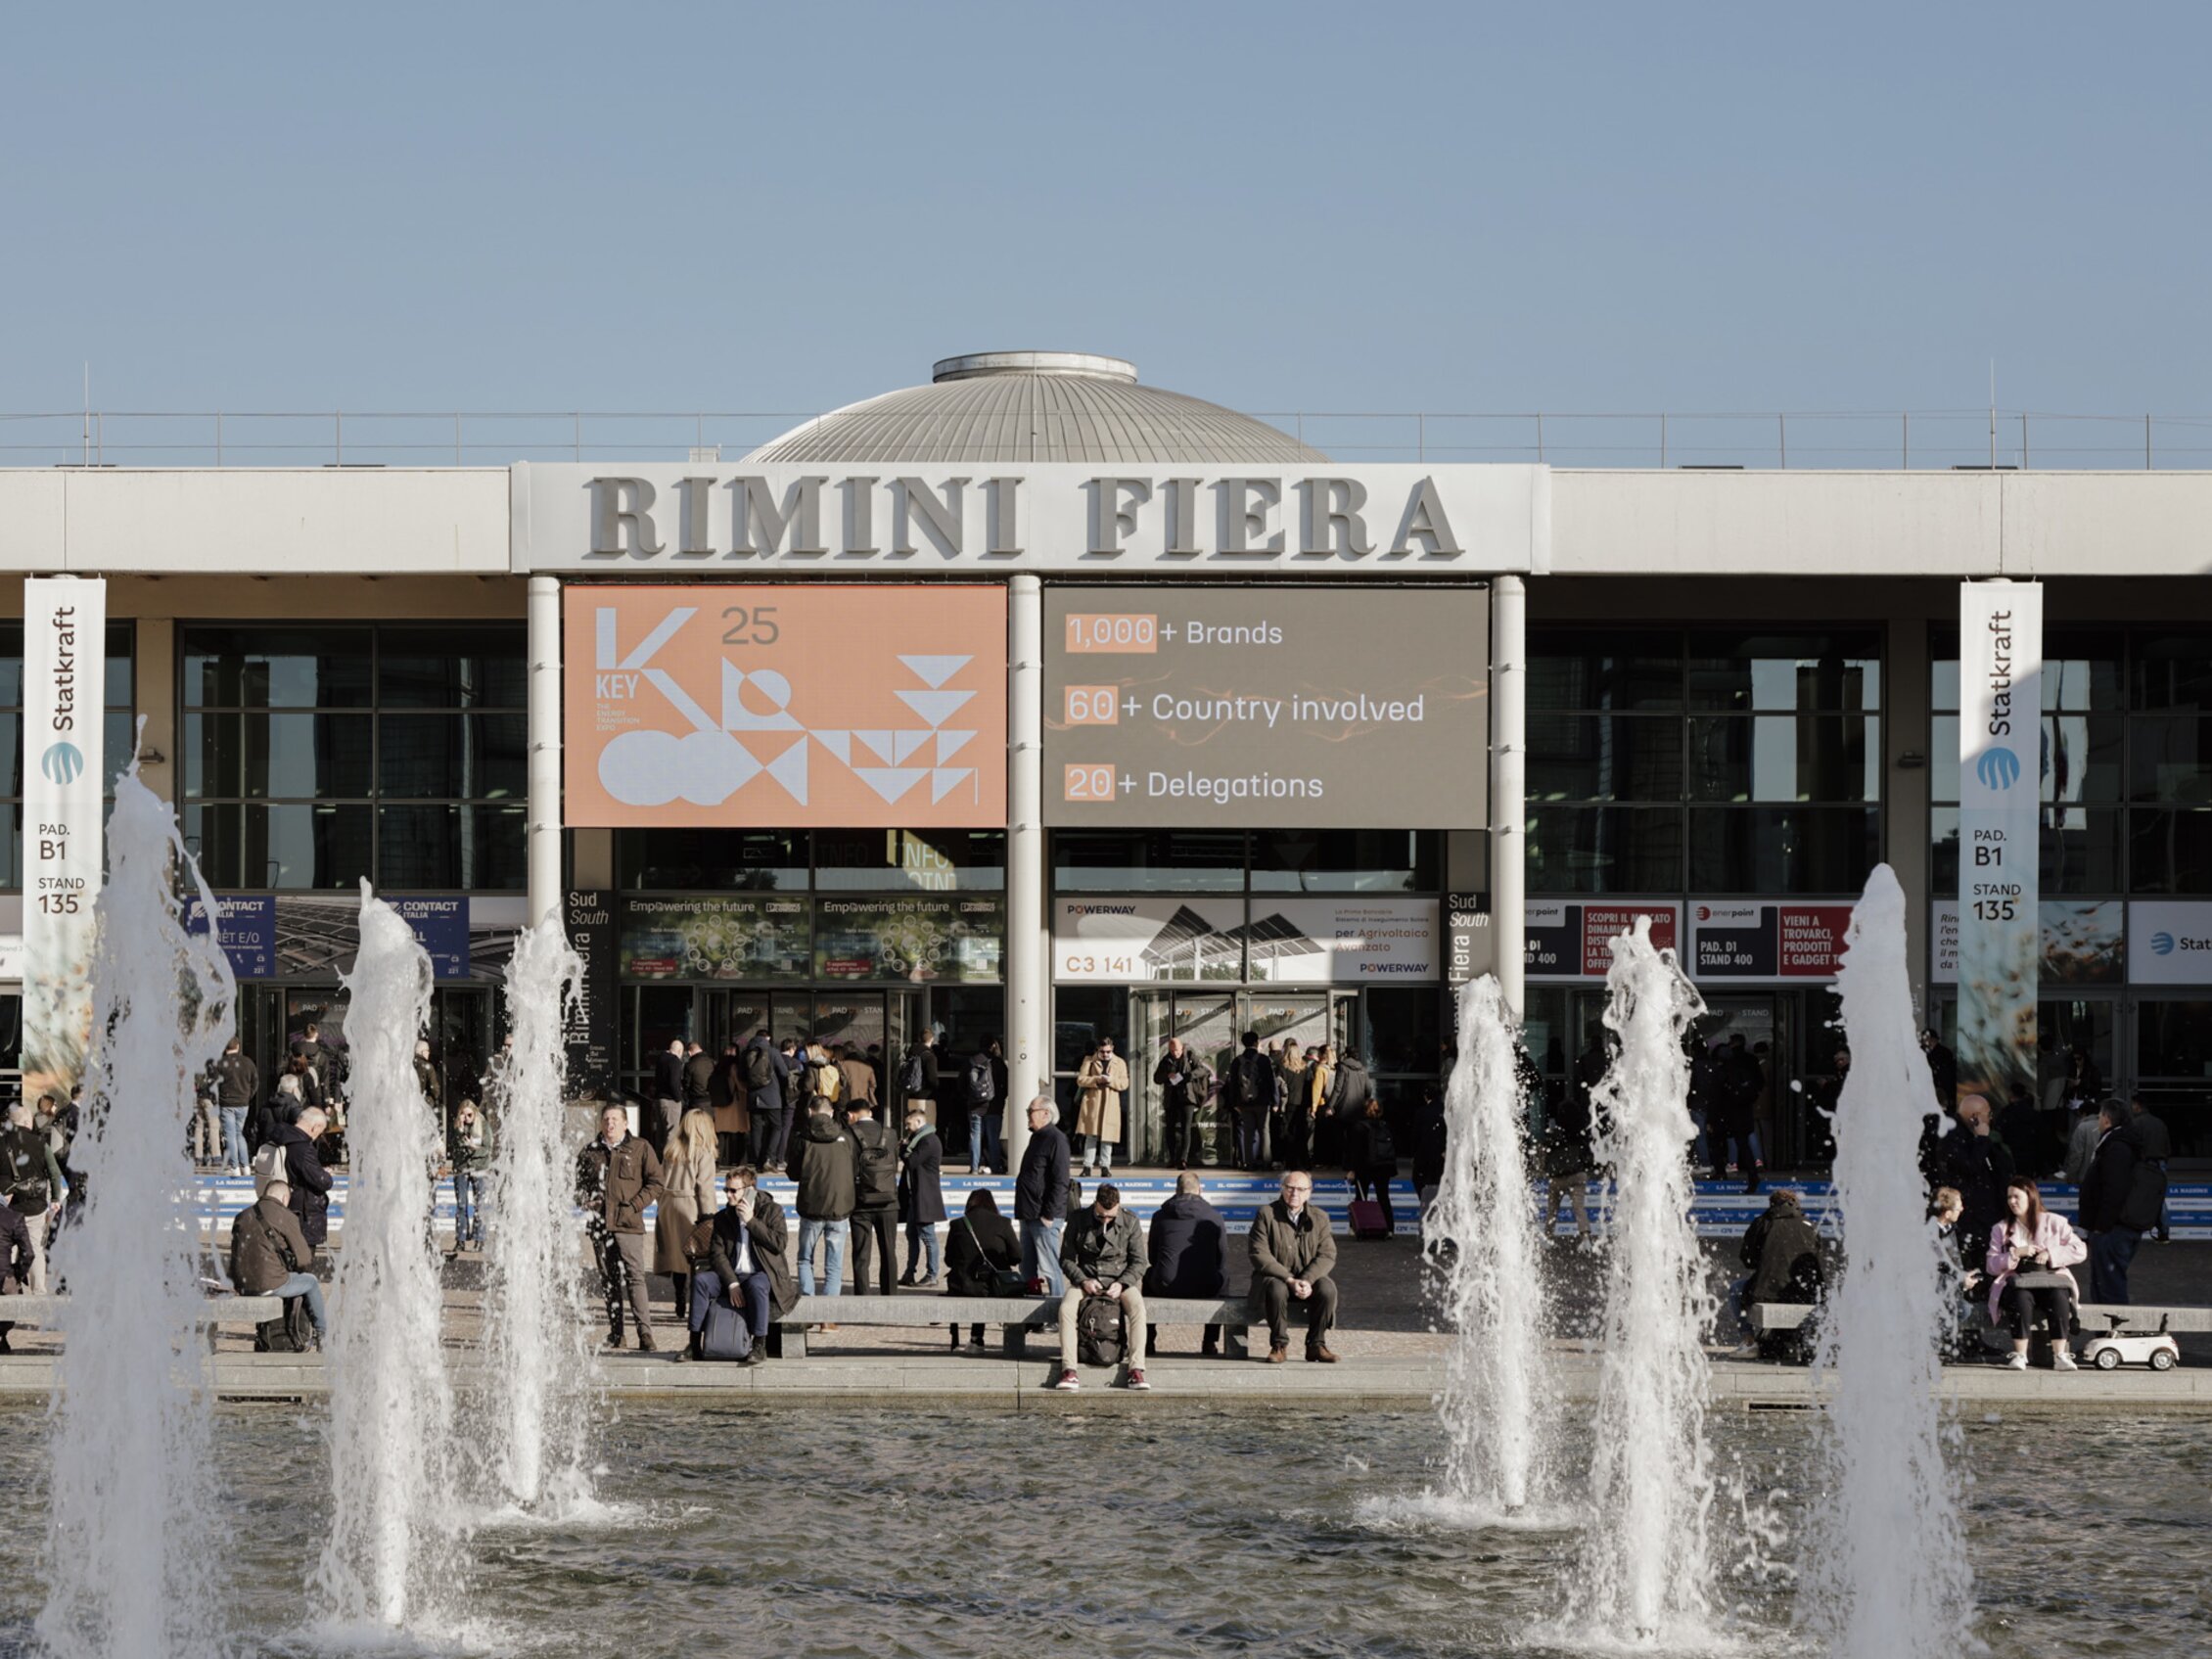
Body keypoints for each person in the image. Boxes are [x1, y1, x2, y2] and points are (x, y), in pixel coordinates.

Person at [576, 1100, 665, 1351]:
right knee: (609, 1280)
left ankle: (645, 1335)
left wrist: (635, 1205)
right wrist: (586, 1201)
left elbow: (656, 1182)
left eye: (615, 1119)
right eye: (606, 1119)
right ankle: (617, 1334)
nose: (610, 1123)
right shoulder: (590, 1151)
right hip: (600, 1226)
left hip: (628, 1225)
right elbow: (577, 1189)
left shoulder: (640, 1148)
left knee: (635, 1278)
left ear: (626, 1123)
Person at [684, 1165, 793, 1363]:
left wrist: (751, 1222)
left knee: (758, 1286)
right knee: (701, 1281)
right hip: (732, 1275)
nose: (728, 1195)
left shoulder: (772, 1211)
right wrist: (732, 1283)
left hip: (761, 1272)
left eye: (733, 1190)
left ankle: (759, 1344)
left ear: (749, 1190)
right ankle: (694, 1344)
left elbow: (779, 1244)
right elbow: (717, 1254)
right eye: (726, 1190)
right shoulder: (723, 1217)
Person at [1053, 1181, 1149, 1391]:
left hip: (1119, 1278)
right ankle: (1069, 1370)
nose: (1105, 1219)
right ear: (1095, 1204)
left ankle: (1136, 1369)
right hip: (1086, 1277)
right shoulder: (1078, 1219)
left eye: (1110, 1216)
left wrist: (1123, 1283)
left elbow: (1139, 1261)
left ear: (1118, 1207)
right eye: (1101, 1215)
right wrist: (1083, 1280)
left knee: (1138, 1309)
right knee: (1067, 1309)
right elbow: (1067, 1259)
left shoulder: (1130, 1222)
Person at [1985, 1176, 2087, 1370]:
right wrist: (2014, 1254)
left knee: (2059, 1296)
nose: (2011, 1201)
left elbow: (2080, 1250)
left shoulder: (2055, 1222)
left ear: (2030, 1197)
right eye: (2009, 1198)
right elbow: (1991, 1265)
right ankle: (2020, 1355)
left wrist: (2051, 1254)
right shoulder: (2001, 1228)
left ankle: (2060, 1355)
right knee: (2020, 1296)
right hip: (2018, 1280)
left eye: (2016, 1197)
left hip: (2050, 1278)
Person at [2077, 1100, 2163, 1305]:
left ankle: (2113, 1330)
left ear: (2106, 1119)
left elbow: (2114, 1189)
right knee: (2105, 1283)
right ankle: (2108, 1329)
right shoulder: (2122, 1144)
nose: (2098, 1121)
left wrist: (2101, 1226)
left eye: (2099, 1116)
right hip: (2114, 1227)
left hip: (2113, 1229)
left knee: (2109, 1285)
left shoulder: (2117, 1147)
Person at [227, 1176, 328, 1347]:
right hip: (270, 1283)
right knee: (311, 1282)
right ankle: (323, 1334)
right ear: (284, 1198)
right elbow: (304, 1259)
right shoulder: (285, 1216)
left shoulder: (242, 1216)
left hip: (241, 1285)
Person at [1250, 1170, 1338, 1363]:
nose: (1294, 1193)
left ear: (1309, 1192)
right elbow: (1259, 1253)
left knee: (1327, 1288)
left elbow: (1327, 1254)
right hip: (1276, 1279)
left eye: (1300, 1189)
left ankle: (1316, 1344)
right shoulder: (1266, 1214)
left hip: (1307, 1280)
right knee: (1276, 1288)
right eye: (1290, 1188)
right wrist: (1289, 1279)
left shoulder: (1320, 1217)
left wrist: (1307, 1280)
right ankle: (1279, 1345)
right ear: (1282, 1189)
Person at [1144, 1170, 1228, 1359]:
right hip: (1205, 1286)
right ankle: (1209, 1341)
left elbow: (1152, 1256)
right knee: (1224, 1276)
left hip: (1166, 1285)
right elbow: (1221, 1258)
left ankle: (1148, 1341)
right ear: (1200, 1189)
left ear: (1176, 1190)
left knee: (1149, 1274)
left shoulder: (1160, 1216)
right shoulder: (1214, 1217)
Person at [1732, 1187, 1822, 1351]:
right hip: (1806, 1293)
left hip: (1769, 1291)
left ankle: (1749, 1341)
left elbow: (1747, 1259)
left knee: (1735, 1290)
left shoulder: (1762, 1223)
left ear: (1772, 1204)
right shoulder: (1810, 1226)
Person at [788, 1098, 856, 1306]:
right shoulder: (845, 1138)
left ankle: (808, 1308)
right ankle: (829, 1315)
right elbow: (853, 1169)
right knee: (834, 1265)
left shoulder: (802, 1139)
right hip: (840, 1207)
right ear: (832, 1112)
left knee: (804, 1259)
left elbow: (793, 1173)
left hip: (811, 1207)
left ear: (810, 1111)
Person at [656, 1110, 719, 1322]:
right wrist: (710, 1216)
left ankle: (680, 1298)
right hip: (690, 1205)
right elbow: (705, 1188)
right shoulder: (703, 1152)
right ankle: (696, 1304)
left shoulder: (670, 1151)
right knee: (696, 1256)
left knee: (676, 1256)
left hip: (668, 1205)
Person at [1936, 1094, 2015, 1262]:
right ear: (1976, 1117)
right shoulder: (1952, 1136)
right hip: (1971, 1212)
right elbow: (1969, 1166)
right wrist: (1982, 1140)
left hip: (1987, 1209)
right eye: (1988, 1114)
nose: (1990, 1119)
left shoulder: (1977, 1135)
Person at [0, 1097, 65, 1295]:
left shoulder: (1, 1143)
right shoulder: (40, 1143)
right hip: (35, 1205)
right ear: (28, 1122)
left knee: (6, 1248)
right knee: (34, 1247)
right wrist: (55, 1198)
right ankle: (39, 1292)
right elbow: (54, 1172)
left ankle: (7, 1289)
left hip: (9, 1207)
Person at [945, 1188, 1021, 1351]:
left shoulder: (958, 1224)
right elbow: (1017, 1256)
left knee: (977, 1285)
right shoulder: (1003, 1223)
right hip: (995, 1288)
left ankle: (975, 1339)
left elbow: (948, 1260)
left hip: (961, 1285)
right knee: (986, 1284)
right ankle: (978, 1337)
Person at [844, 1098, 901, 1298]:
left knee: (861, 1255)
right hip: (889, 1202)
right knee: (889, 1251)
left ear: (851, 1115)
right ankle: (890, 1296)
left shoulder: (847, 1134)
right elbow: (895, 1162)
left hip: (861, 1203)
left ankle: (863, 1299)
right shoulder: (891, 1134)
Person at [1014, 1096, 1071, 1296]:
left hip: (1044, 1216)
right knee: (1027, 1267)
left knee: (1049, 1267)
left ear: (1046, 1113)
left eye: (1031, 1111)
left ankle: (1055, 1315)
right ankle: (1032, 1312)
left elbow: (1061, 1180)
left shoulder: (1056, 1139)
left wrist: (1049, 1215)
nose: (1028, 1116)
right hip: (1029, 1213)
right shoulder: (1037, 1138)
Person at [270, 1105, 334, 1256]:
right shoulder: (302, 1148)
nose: (319, 1135)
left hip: (286, 1203)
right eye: (321, 1130)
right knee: (302, 1262)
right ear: (315, 1127)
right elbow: (322, 1181)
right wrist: (326, 1175)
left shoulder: (282, 1138)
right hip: (304, 1212)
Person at [898, 1108, 945, 1288]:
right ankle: (909, 1273)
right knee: (912, 1235)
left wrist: (903, 1148)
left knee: (928, 1237)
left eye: (909, 1124)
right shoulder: (921, 1140)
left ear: (919, 1122)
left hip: (925, 1198)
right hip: (915, 1198)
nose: (907, 1128)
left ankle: (932, 1274)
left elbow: (911, 1162)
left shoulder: (928, 1141)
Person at [1711, 1033, 1763, 1193]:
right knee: (1744, 1144)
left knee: (1716, 1141)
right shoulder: (1749, 1062)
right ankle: (1753, 1176)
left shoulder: (1723, 1071)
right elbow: (1759, 1084)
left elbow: (1716, 1096)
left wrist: (1713, 1117)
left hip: (1727, 1113)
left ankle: (1721, 1171)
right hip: (1743, 1111)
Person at [1073, 1035, 1129, 1177]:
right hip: (1093, 1102)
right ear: (1098, 1050)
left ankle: (1105, 1166)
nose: (1105, 1055)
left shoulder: (1120, 1063)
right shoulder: (1089, 1060)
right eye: (1102, 1052)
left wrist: (1111, 1081)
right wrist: (1097, 1079)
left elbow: (1124, 1083)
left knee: (1107, 1137)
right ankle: (1087, 1166)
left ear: (1112, 1050)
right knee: (1091, 1135)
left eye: (1108, 1052)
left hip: (1110, 1103)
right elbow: (1081, 1079)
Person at [1344, 1097, 1399, 1236]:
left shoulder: (1359, 1127)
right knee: (1383, 1197)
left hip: (1364, 1167)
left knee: (1361, 1197)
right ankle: (1390, 1228)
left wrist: (1352, 1169)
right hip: (1383, 1167)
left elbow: (1355, 1151)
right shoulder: (1385, 1125)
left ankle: (1358, 1226)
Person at [1154, 1037, 1208, 1171]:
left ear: (1182, 1048)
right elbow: (1156, 1078)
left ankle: (1183, 1159)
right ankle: (1172, 1158)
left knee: (1186, 1129)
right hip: (1171, 1098)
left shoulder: (1189, 1056)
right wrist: (1167, 1076)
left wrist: (1187, 1076)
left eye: (1176, 1050)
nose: (1175, 1053)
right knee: (1170, 1129)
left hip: (1187, 1097)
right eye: (1172, 1051)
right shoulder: (1166, 1060)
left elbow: (1202, 1070)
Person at [1224, 1031, 1274, 1172]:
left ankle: (1248, 1162)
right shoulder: (1264, 1060)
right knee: (1264, 1131)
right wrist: (1274, 1100)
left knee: (1248, 1132)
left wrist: (1234, 1103)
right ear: (1256, 1042)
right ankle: (1266, 1161)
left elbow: (1233, 1084)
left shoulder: (1237, 1061)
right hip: (1262, 1102)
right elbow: (1271, 1081)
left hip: (1244, 1102)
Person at [447, 1097, 492, 1252]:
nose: (466, 1119)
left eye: (469, 1116)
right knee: (461, 1204)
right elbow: (454, 1148)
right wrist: (459, 1131)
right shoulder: (457, 1127)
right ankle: (460, 1239)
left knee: (480, 1204)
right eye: (463, 1115)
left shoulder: (483, 1125)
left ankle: (479, 1239)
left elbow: (487, 1148)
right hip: (461, 1168)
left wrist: (475, 1148)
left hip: (479, 1168)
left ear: (475, 1113)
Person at [745, 1031, 795, 1169]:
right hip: (772, 1096)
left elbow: (742, 1075)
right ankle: (769, 1158)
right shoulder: (773, 1052)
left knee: (756, 1129)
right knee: (776, 1127)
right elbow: (784, 1073)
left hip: (753, 1097)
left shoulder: (746, 1052)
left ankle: (757, 1160)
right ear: (767, 1038)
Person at [213, 1036, 258, 1175]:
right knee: (239, 1134)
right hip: (243, 1104)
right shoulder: (248, 1062)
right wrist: (248, 1096)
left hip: (227, 1103)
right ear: (237, 1047)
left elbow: (213, 1084)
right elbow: (255, 1082)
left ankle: (234, 1167)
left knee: (230, 1135)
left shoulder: (220, 1064)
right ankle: (245, 1165)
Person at [2131, 1094, 2173, 1242]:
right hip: (2160, 1163)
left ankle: (2137, 1228)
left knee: (2139, 1196)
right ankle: (2164, 1231)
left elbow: (2133, 1146)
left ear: (2137, 1105)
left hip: (2144, 1164)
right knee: (2159, 1197)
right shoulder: (2159, 1123)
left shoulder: (2136, 1123)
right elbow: (2167, 1146)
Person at [964, 1038, 1005, 1175]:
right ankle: (994, 1166)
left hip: (975, 1105)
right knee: (993, 1138)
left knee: (975, 1136)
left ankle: (974, 1168)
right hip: (994, 1106)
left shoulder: (972, 1061)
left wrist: (969, 1097)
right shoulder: (998, 1063)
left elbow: (962, 1082)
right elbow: (1006, 1084)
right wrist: (1000, 1099)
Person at [0, 1188, 32, 1352]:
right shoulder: (13, 1217)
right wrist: (17, 1274)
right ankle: (2, 1335)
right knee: (11, 1288)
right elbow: (28, 1254)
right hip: (4, 1277)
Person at [710, 1042, 748, 1169]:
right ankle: (737, 1161)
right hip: (735, 1104)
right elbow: (740, 1085)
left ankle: (718, 1160)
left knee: (722, 1134)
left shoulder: (717, 1067)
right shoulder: (734, 1067)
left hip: (720, 1104)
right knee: (738, 1133)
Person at [898, 1029, 941, 1128]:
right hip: (926, 1098)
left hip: (911, 1096)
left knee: (913, 1127)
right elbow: (932, 1079)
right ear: (932, 1039)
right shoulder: (930, 1057)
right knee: (927, 1128)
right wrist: (937, 1088)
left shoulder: (911, 1053)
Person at [652, 1037, 685, 1155]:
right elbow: (674, 1082)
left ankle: (659, 1160)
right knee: (672, 1132)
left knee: (660, 1133)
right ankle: (669, 1160)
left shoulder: (661, 1059)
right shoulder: (675, 1061)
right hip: (670, 1100)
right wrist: (678, 1098)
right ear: (680, 1051)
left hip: (659, 1099)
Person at [2059, 1096, 2102, 1185]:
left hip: (2085, 1176)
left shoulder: (2082, 1127)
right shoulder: (2107, 1125)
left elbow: (2076, 1155)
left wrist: (2070, 1176)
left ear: (2084, 1114)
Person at [1921, 1028, 1959, 1109]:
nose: (1925, 1042)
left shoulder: (1943, 1053)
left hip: (1941, 1092)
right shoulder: (1922, 1053)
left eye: (1927, 1040)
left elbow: (1946, 1075)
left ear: (1933, 1040)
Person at [682, 1039, 714, 1119]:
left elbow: (687, 1085)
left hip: (696, 1101)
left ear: (690, 1052)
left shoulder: (690, 1065)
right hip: (711, 1101)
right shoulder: (711, 1062)